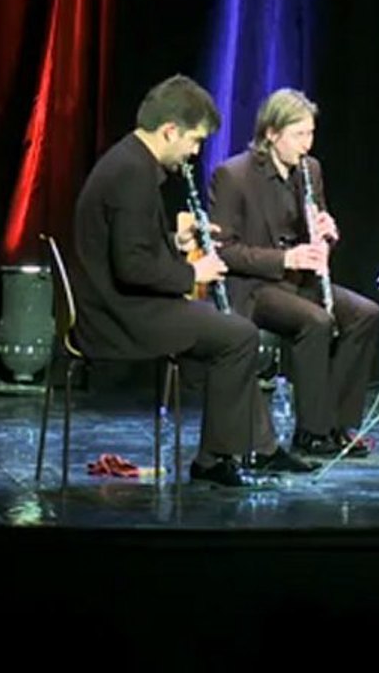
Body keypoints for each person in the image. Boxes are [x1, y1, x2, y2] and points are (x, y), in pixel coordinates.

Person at [72, 74, 316, 487]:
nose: (195, 152)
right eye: (195, 140)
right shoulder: (132, 173)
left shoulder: (128, 160)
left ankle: (249, 446)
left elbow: (132, 247)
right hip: (118, 315)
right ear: (170, 130)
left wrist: (176, 242)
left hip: (120, 304)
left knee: (228, 330)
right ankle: (214, 460)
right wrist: (193, 273)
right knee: (238, 336)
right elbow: (132, 267)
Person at [209, 88, 379, 457]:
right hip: (254, 287)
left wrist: (328, 235)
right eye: (299, 134)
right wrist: (285, 259)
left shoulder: (310, 170)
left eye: (311, 133)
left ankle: (336, 424)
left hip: (299, 282)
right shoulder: (233, 175)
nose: (307, 143)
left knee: (366, 314)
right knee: (316, 321)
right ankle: (312, 432)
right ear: (272, 133)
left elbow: (317, 233)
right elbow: (224, 251)